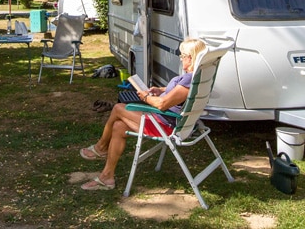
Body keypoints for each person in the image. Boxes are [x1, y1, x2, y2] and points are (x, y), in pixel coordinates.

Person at [78, 37, 208, 191]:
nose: (180, 59)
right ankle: (107, 177)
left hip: (166, 125)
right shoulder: (195, 76)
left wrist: (146, 97)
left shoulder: (188, 80)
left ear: (191, 57)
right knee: (119, 126)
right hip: (168, 120)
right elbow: (176, 92)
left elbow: (162, 104)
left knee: (119, 108)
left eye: (182, 56)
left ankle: (101, 148)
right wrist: (160, 90)